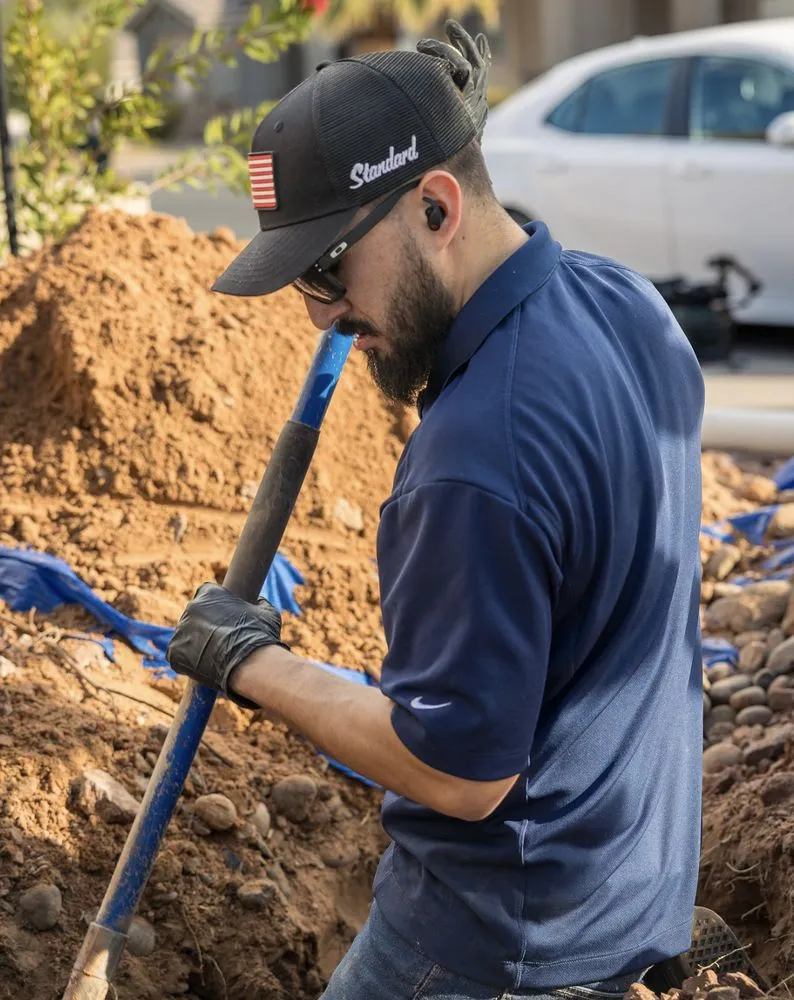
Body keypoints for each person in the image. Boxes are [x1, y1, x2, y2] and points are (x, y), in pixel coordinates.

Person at [166, 22, 736, 1000]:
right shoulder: (624, 304)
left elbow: (458, 770)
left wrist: (248, 660)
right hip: (626, 889)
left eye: (324, 268)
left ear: (433, 206)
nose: (320, 316)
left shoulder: (474, 459)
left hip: (487, 946)